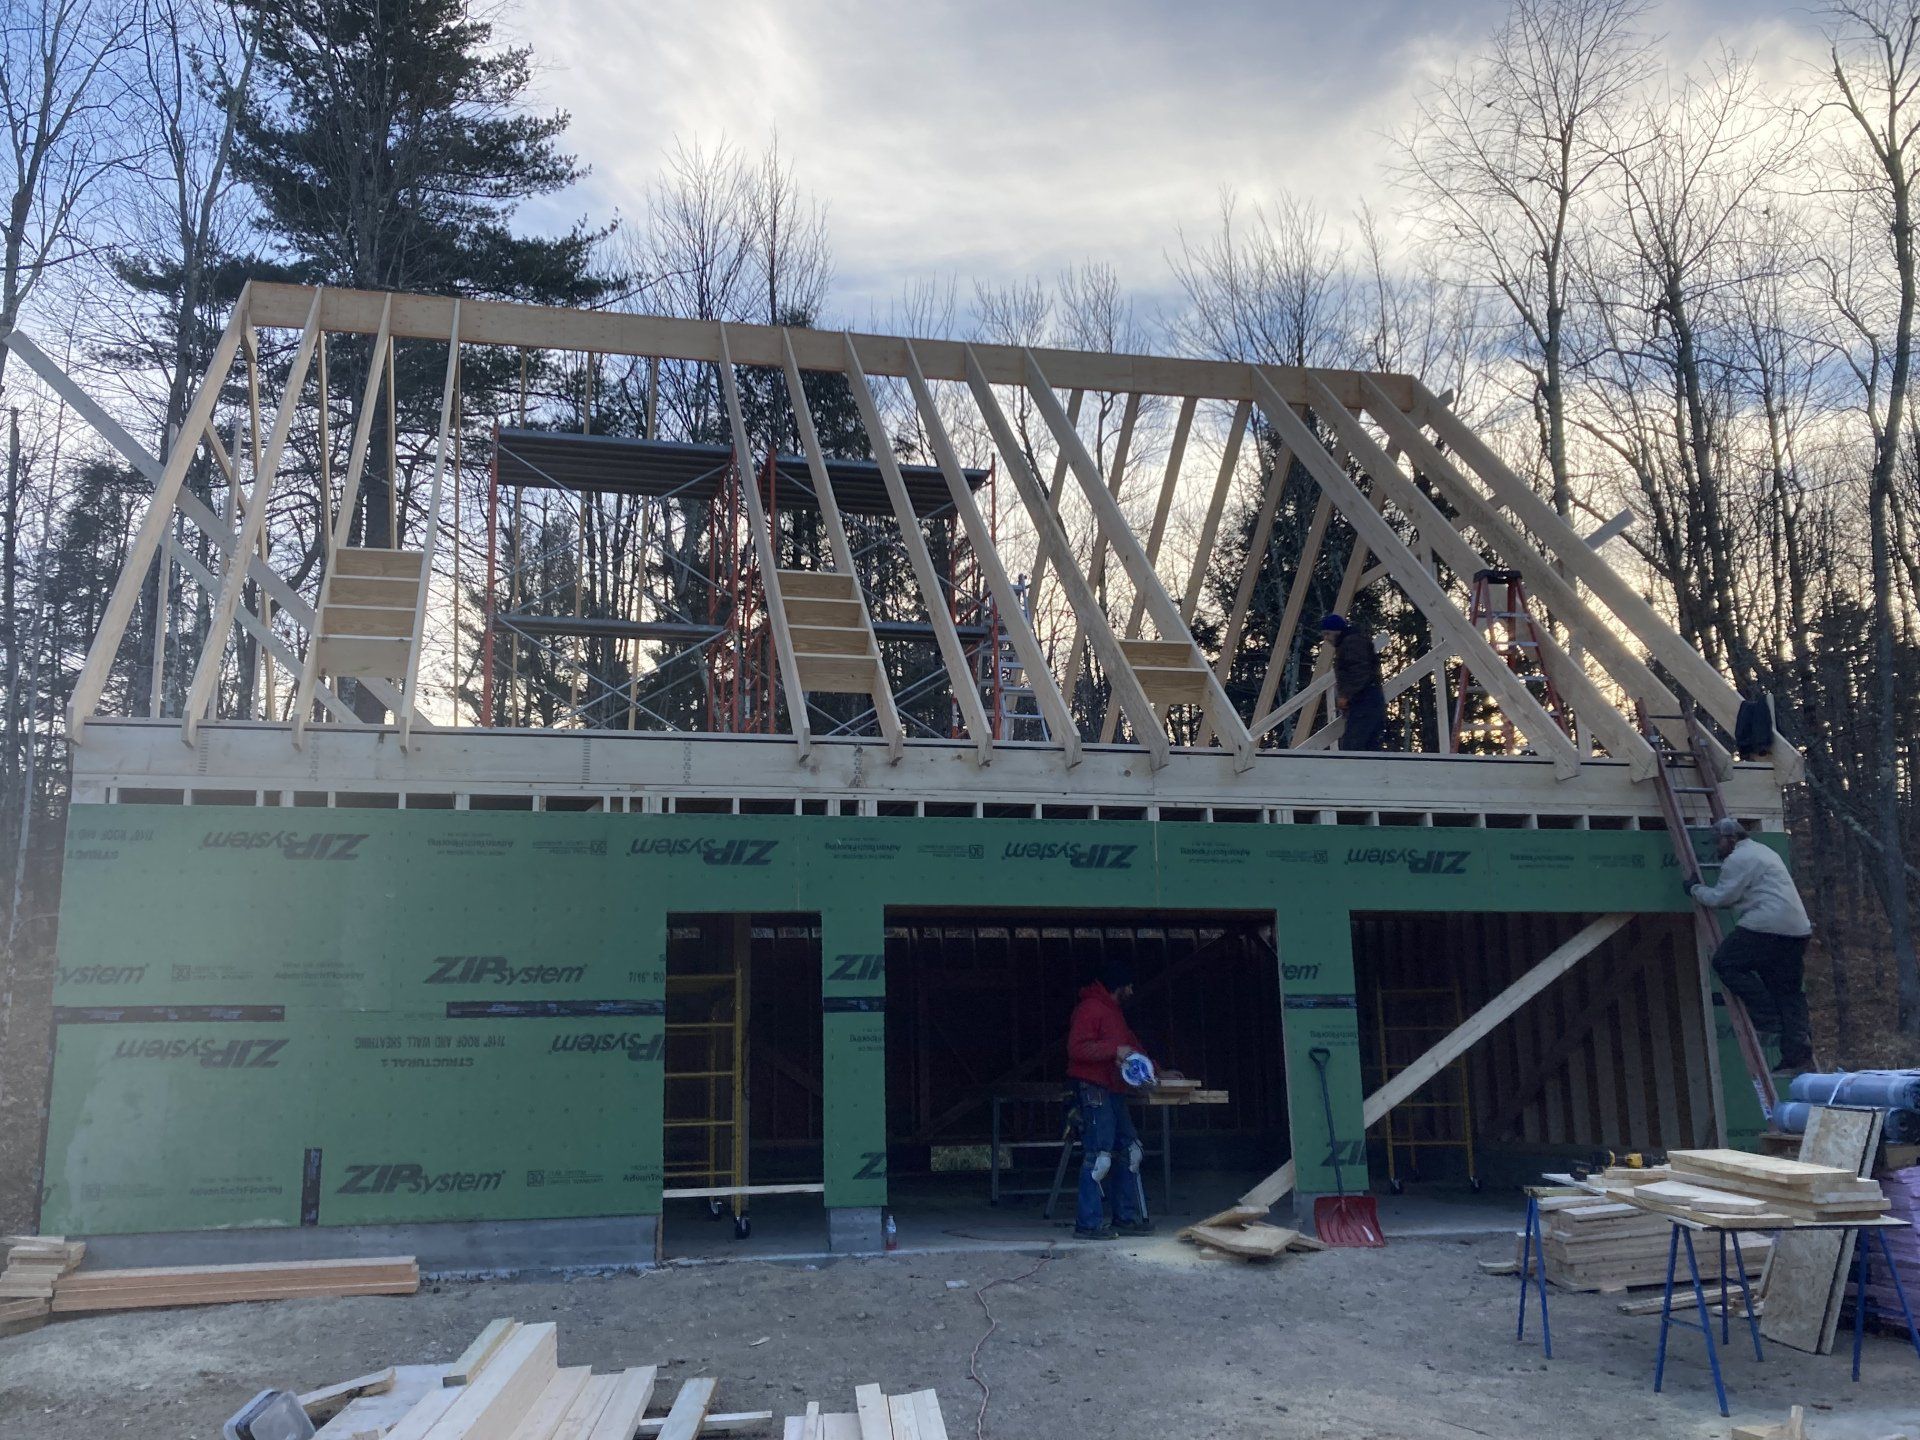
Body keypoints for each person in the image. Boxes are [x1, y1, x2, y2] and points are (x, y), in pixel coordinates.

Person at [1689, 816, 1814, 1070]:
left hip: (1766, 925)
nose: (1716, 847)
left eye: (1718, 841)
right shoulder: (1764, 851)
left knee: (1726, 963)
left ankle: (1766, 1015)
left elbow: (1722, 898)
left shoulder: (1738, 858)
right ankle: (1796, 1053)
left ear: (1731, 839)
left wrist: (1695, 889)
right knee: (1788, 991)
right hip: (1797, 930)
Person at [1065, 961, 1154, 1239]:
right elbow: (1077, 1049)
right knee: (1099, 1157)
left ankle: (1124, 1218)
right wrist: (1114, 1050)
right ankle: (1087, 1225)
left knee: (1131, 1151)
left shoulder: (1114, 1012)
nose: (1132, 991)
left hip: (1113, 1090)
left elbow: (1132, 1048)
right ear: (1119, 985)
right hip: (1094, 1089)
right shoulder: (1090, 1009)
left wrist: (1156, 1070)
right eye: (1129, 985)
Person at [1321, 613, 1385, 751]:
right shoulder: (1353, 641)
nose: (1326, 638)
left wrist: (1345, 695)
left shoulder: (1351, 643)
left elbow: (1359, 671)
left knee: (1353, 746)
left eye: (1327, 633)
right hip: (1366, 701)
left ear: (1337, 631)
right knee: (1366, 746)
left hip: (1364, 701)